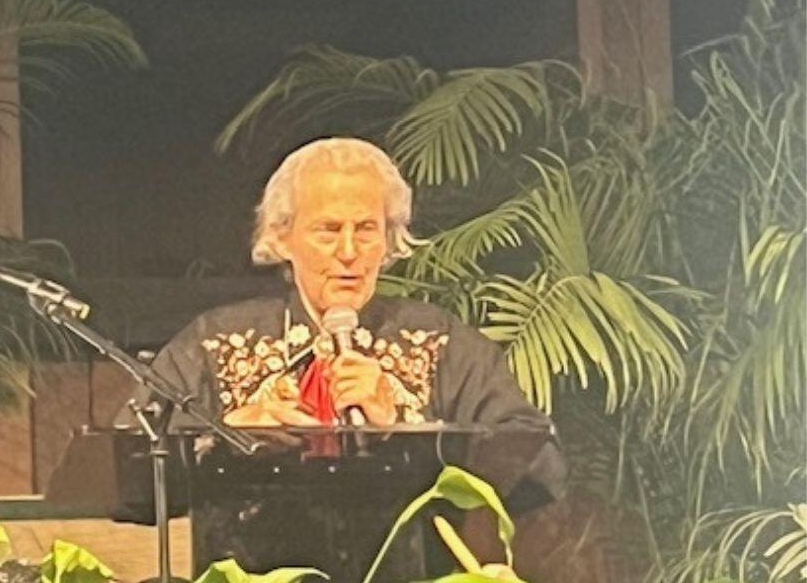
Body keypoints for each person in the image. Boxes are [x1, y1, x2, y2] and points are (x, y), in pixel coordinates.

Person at [117, 137, 565, 579]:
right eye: (328, 230)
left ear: (390, 239)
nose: (350, 252)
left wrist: (408, 426)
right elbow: (128, 483)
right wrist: (223, 439)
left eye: (367, 229)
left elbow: (542, 469)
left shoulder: (439, 341)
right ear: (281, 237)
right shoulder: (215, 342)